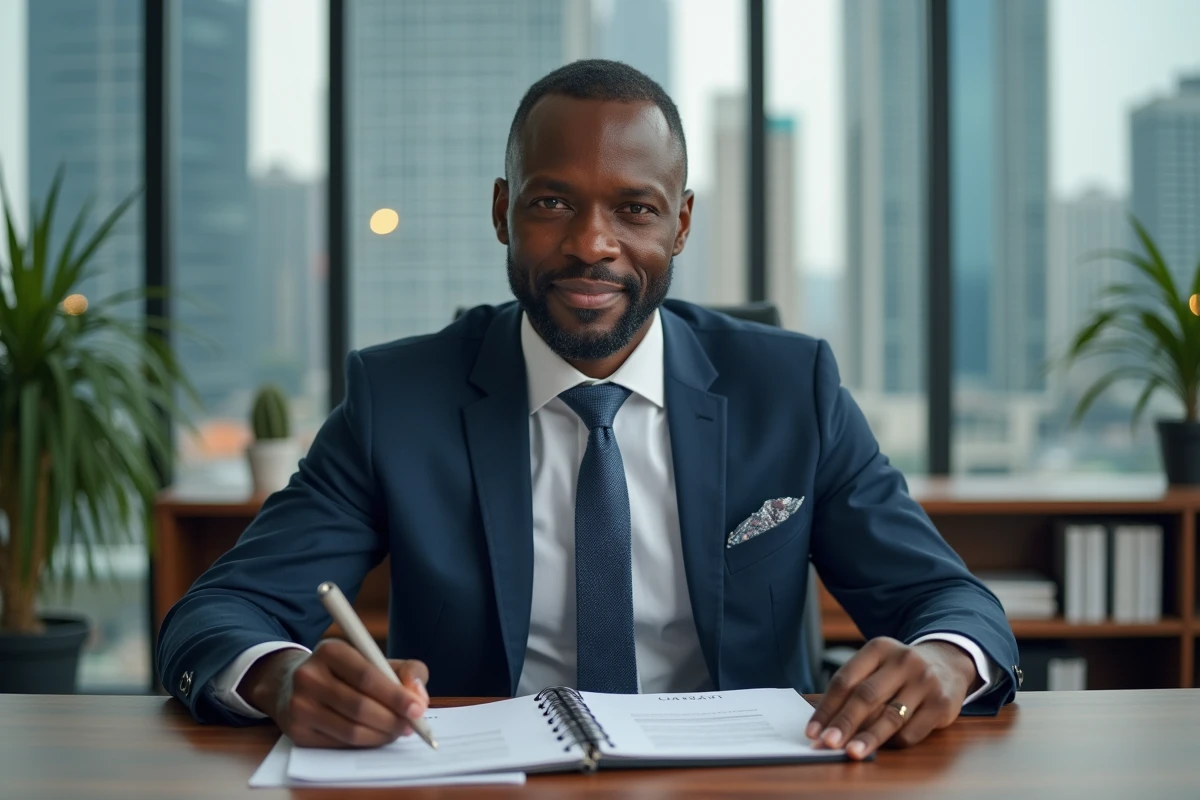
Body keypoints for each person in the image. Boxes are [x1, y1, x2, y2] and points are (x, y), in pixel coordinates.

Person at [157, 59, 1018, 762]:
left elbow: (949, 601)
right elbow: (216, 615)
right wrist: (280, 678)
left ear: (680, 225)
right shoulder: (399, 401)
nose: (591, 244)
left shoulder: (791, 389)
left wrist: (944, 659)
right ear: (504, 212)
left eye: (634, 209)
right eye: (553, 203)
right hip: (489, 782)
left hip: (738, 785)